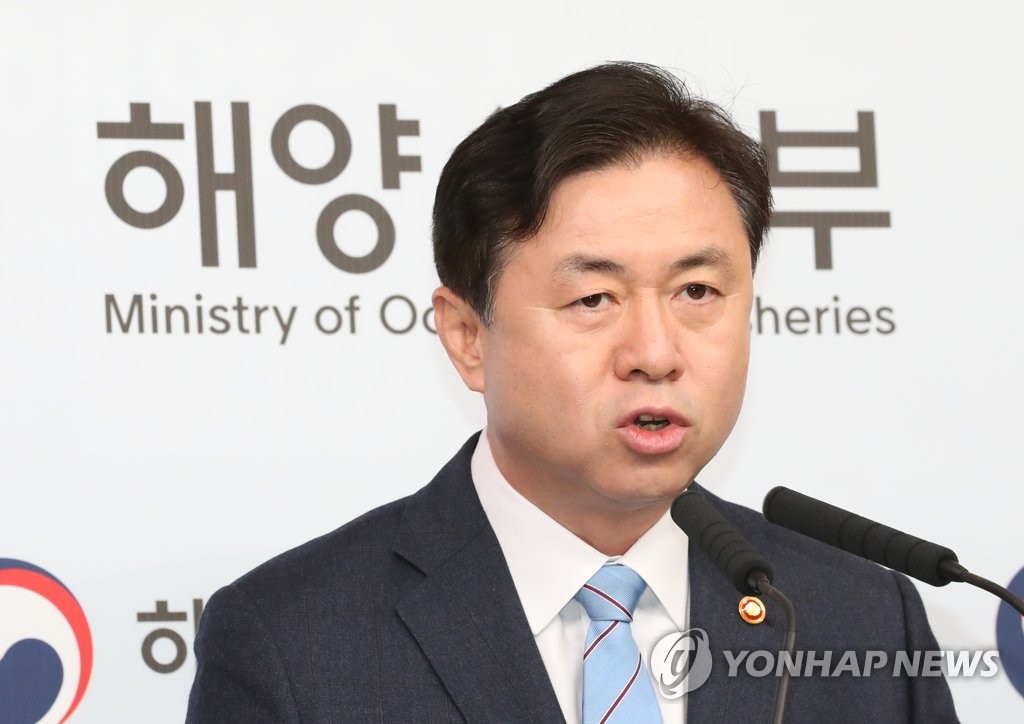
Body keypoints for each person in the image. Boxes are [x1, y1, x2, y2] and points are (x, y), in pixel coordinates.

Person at [186, 62, 958, 723]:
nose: (655, 354)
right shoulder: (292, 643)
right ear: (467, 335)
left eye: (696, 291)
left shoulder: (861, 620)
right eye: (594, 299)